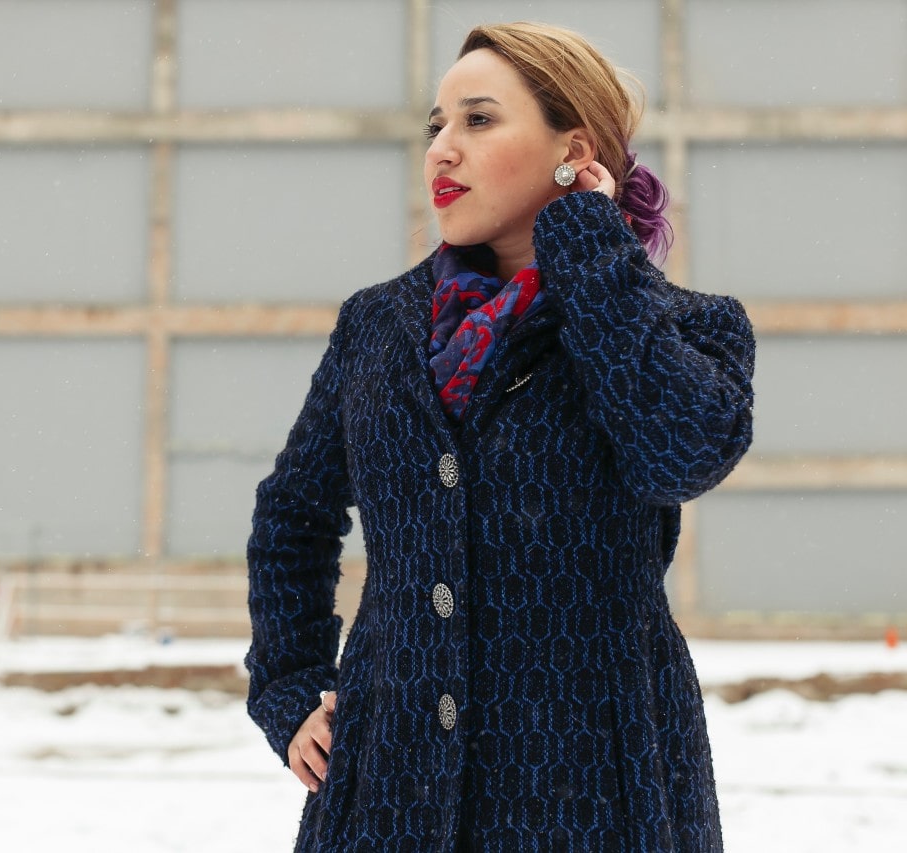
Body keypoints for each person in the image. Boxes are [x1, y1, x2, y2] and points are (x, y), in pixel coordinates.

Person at [244, 21, 755, 853]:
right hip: (387, 786)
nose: (442, 149)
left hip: (597, 786)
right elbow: (293, 515)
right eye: (435, 126)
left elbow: (680, 453)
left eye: (478, 121)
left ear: (574, 148)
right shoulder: (378, 325)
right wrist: (290, 684)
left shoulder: (688, 328)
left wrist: (588, 245)